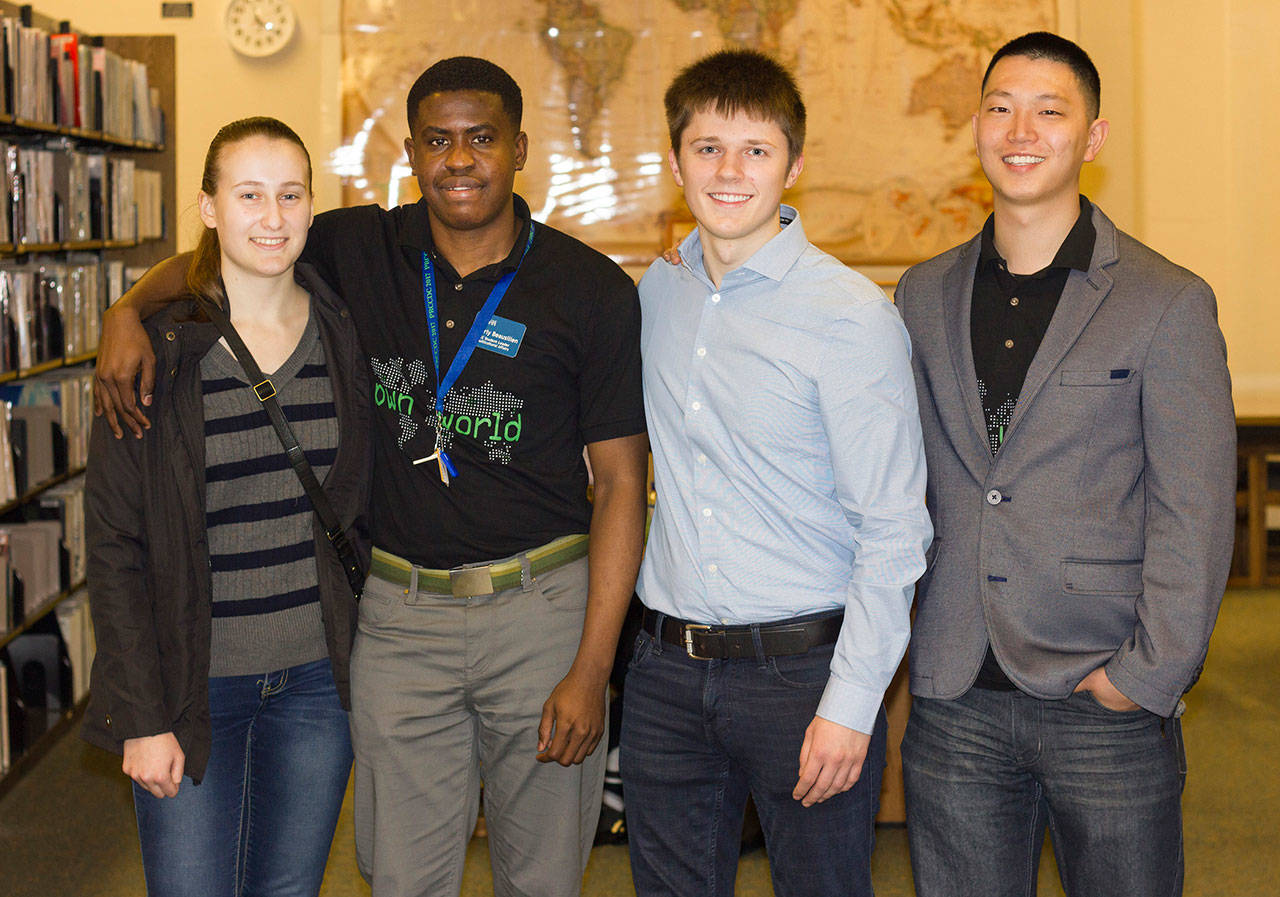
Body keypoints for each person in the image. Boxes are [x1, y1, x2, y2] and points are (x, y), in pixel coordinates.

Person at [92, 57, 649, 897]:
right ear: (413, 153)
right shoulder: (360, 248)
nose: (459, 158)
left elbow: (618, 487)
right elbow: (230, 252)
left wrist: (592, 668)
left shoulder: (591, 289)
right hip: (397, 620)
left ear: (521, 147)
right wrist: (123, 311)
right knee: (398, 877)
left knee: (541, 878)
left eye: (482, 137)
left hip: (541, 618)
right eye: (437, 140)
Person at [895, 32, 1236, 897]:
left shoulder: (1167, 301)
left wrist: (1145, 675)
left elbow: (1193, 509)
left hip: (1103, 693)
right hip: (953, 686)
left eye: (1051, 111)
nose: (1022, 129)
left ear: (1091, 138)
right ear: (975, 123)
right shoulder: (922, 292)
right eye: (1001, 106)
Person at [624, 49, 932, 897]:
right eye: (708, 147)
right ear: (676, 159)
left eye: (756, 150)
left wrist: (852, 702)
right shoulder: (658, 291)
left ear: (793, 165)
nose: (730, 171)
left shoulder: (852, 316)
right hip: (665, 671)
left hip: (802, 675)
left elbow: (895, 528)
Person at [82, 116, 372, 897]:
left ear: (314, 206)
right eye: (249, 195)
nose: (272, 218)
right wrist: (141, 715)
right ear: (208, 207)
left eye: (290, 195)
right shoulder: (154, 351)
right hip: (190, 684)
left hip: (318, 684)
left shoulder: (345, 328)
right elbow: (113, 545)